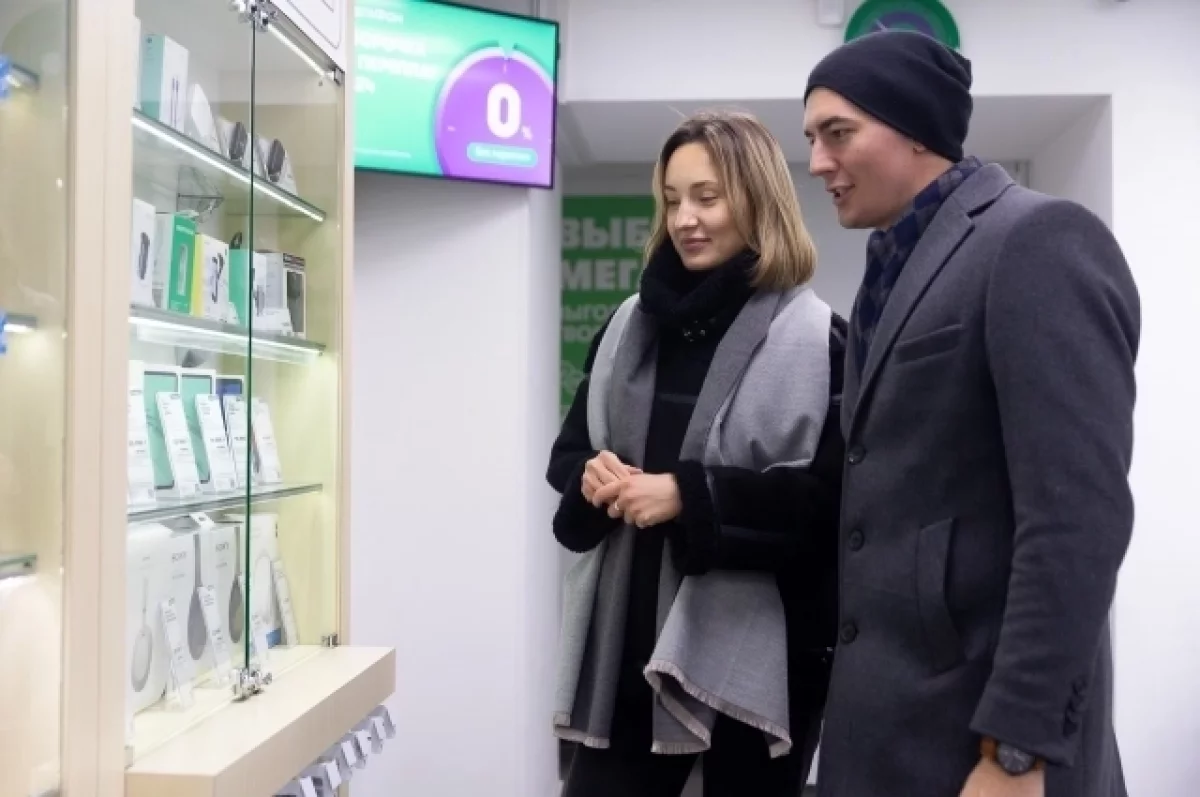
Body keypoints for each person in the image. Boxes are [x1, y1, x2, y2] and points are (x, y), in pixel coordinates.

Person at [801, 31, 1139, 797]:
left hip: (981, 749)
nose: (818, 161)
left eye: (838, 132)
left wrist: (1017, 751)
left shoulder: (1036, 240)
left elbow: (1076, 518)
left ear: (915, 126)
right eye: (813, 137)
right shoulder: (890, 268)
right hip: (886, 736)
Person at [548, 110, 847, 797]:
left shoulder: (823, 340)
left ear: (758, 199)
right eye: (673, 199)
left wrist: (691, 497)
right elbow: (568, 455)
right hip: (626, 655)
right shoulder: (625, 327)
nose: (685, 218)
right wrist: (590, 475)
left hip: (756, 671)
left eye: (707, 198)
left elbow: (832, 506)